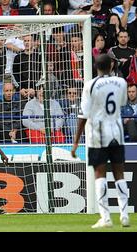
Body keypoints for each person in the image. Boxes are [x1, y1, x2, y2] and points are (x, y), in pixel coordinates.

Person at [71, 54, 130, 228]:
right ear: (111, 65)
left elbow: (83, 116)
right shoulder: (121, 82)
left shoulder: (90, 85)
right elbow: (122, 103)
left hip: (98, 135)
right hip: (117, 133)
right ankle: (124, 215)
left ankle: (106, 218)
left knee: (100, 175)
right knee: (119, 174)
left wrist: (75, 142)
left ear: (96, 66)